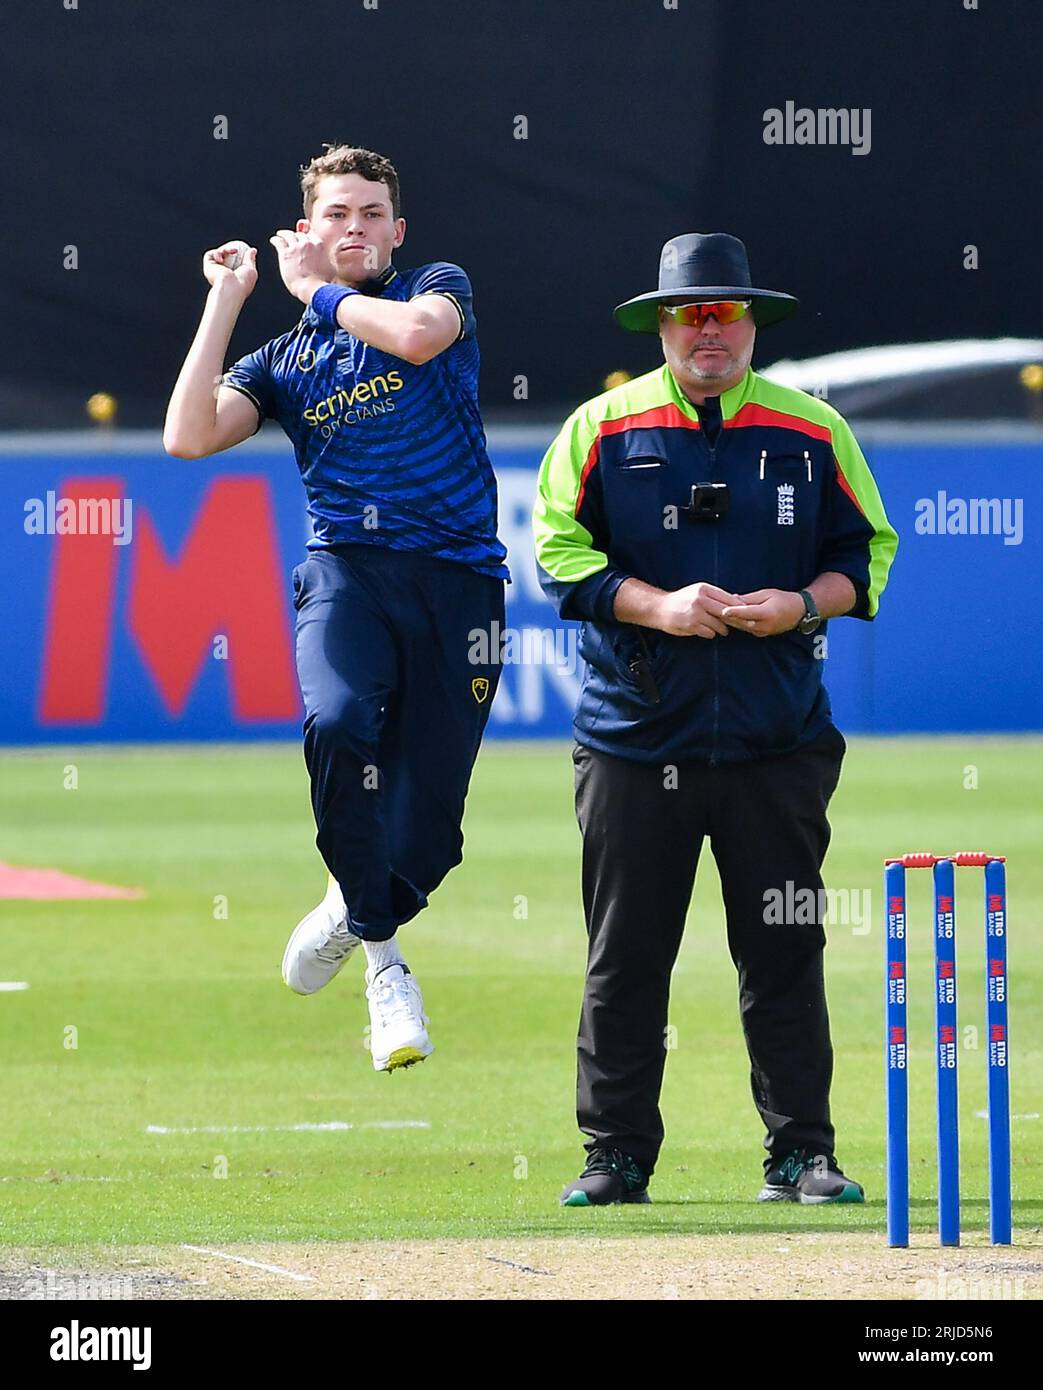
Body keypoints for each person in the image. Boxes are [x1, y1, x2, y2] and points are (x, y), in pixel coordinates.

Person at [533, 232, 898, 1206]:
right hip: (631, 739)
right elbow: (554, 553)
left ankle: (800, 1153)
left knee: (783, 947)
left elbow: (869, 551)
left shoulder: (810, 428)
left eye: (724, 314)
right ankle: (613, 1155)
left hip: (774, 741)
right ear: (660, 324)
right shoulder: (601, 427)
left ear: (748, 326)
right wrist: (653, 606)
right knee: (626, 956)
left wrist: (802, 604)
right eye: (691, 314)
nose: (708, 331)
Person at [164, 144, 509, 1072]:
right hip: (347, 575)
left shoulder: (434, 286)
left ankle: (347, 912)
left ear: (395, 230)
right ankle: (385, 966)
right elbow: (187, 436)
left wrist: (315, 290)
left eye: (369, 214)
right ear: (306, 230)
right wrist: (229, 299)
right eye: (335, 214)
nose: (353, 227)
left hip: (459, 584)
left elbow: (419, 339)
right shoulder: (286, 358)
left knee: (428, 837)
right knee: (341, 722)